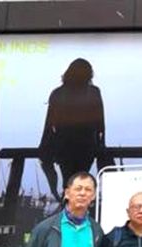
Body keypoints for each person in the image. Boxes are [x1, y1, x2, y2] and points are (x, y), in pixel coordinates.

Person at [39, 59, 106, 201]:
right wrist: (101, 144)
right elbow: (100, 123)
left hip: (64, 145)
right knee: (79, 180)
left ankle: (68, 205)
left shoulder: (58, 93)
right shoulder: (93, 92)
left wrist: (44, 145)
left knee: (69, 181)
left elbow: (49, 124)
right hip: (86, 144)